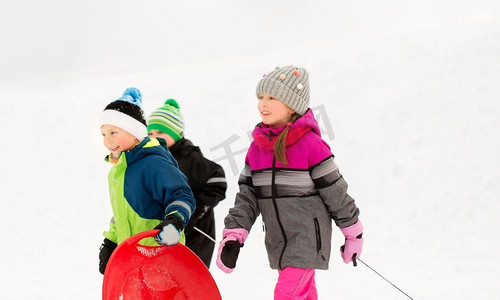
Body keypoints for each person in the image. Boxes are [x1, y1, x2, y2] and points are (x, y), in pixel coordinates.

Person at [215, 66, 364, 299]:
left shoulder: (311, 145)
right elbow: (247, 196)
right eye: (260, 97)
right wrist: (234, 235)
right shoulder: (257, 148)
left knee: (287, 294)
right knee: (303, 294)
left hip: (306, 240)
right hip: (279, 242)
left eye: (271, 97)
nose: (262, 104)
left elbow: (336, 192)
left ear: (291, 105)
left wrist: (353, 234)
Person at [97, 88, 196, 275]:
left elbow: (181, 194)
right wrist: (111, 241)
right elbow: (122, 213)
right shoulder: (117, 172)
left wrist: (174, 221)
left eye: (113, 132)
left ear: (134, 132)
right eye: (103, 134)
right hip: (133, 259)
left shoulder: (153, 162)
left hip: (161, 255)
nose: (107, 141)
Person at [148, 99, 227, 268]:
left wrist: (198, 210)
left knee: (189, 278)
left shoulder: (189, 158)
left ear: (176, 134)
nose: (154, 137)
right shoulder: (153, 160)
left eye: (160, 132)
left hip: (196, 234)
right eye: (150, 133)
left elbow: (217, 178)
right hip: (167, 231)